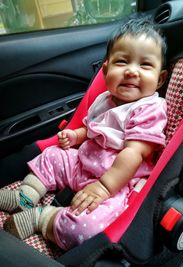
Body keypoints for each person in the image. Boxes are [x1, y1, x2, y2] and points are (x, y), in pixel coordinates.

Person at [0, 17, 168, 251]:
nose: (131, 71)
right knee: (52, 155)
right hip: (82, 163)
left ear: (160, 79)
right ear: (106, 69)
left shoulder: (150, 109)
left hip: (117, 183)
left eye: (145, 65)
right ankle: (25, 197)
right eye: (122, 62)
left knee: (86, 230)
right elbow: (91, 129)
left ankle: (43, 218)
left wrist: (104, 187)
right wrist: (76, 137)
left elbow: (134, 153)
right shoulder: (104, 99)